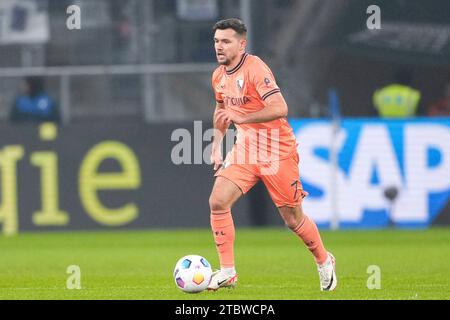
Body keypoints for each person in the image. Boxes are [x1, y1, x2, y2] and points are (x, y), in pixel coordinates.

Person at [207, 18, 337, 291]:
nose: (219, 46)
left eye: (226, 41)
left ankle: (324, 260)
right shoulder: (218, 76)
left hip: (276, 149)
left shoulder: (255, 68)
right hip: (245, 149)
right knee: (218, 201)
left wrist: (241, 118)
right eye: (217, 41)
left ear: (242, 44)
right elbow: (222, 114)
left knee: (293, 220)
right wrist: (217, 146)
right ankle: (228, 272)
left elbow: (280, 107)